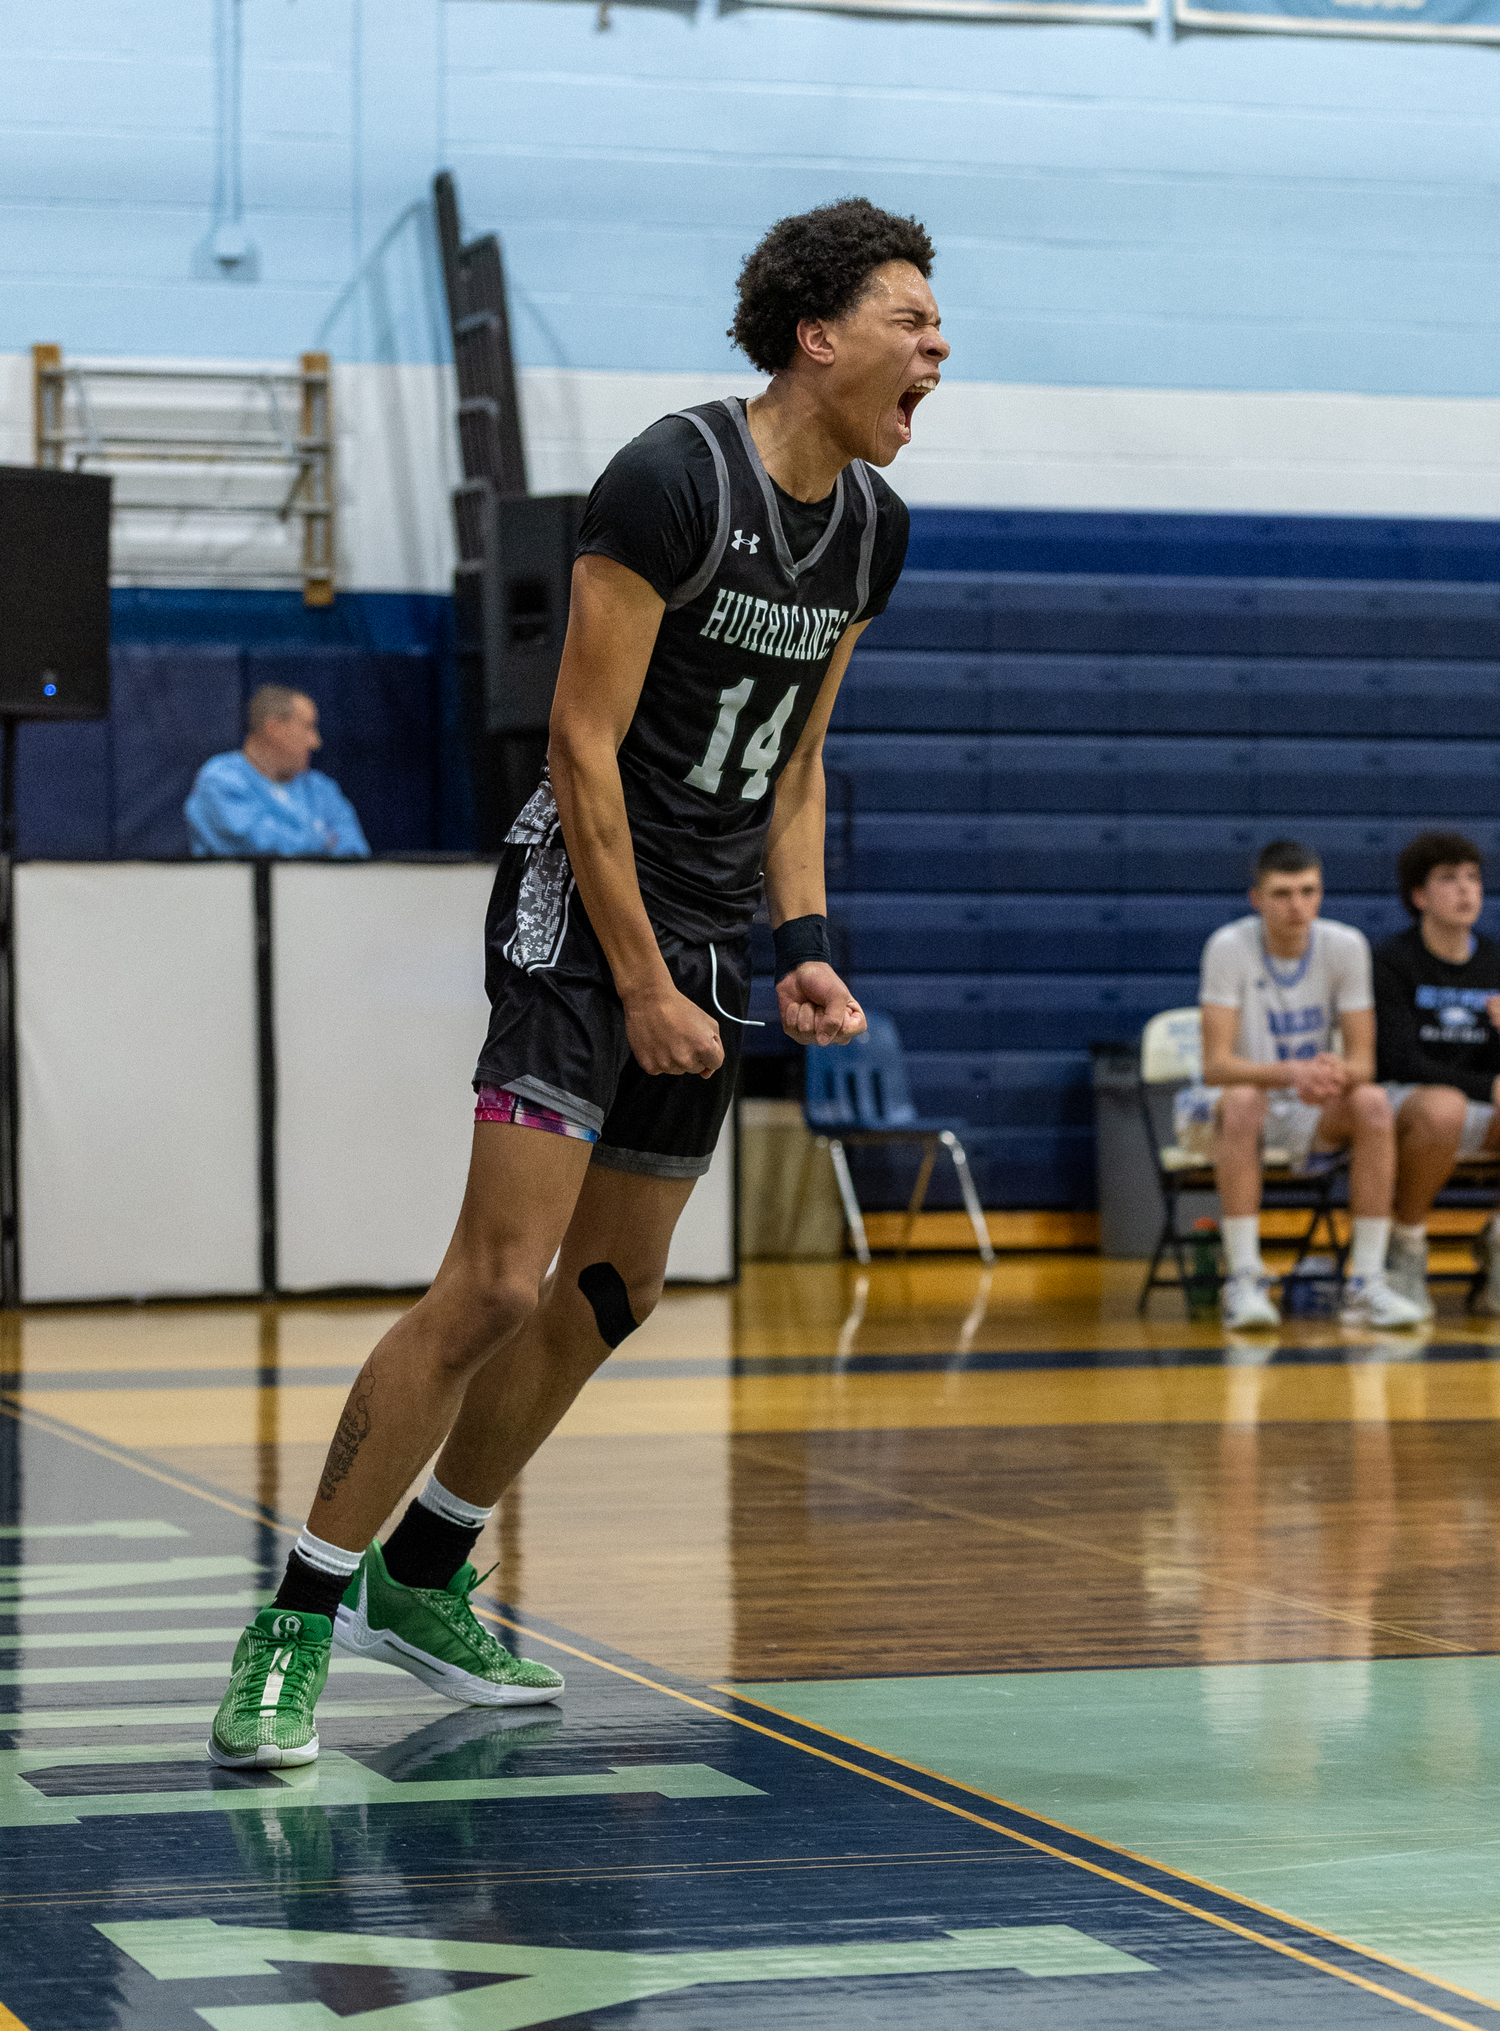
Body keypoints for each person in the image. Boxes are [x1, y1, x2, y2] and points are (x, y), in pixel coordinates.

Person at [206, 196, 942, 1768]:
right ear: (821, 336)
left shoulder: (874, 525)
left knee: (615, 1288)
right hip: (577, 896)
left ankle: (425, 1572)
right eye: (912, 319)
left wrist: (799, 950)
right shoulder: (677, 476)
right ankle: (294, 1617)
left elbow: (801, 760)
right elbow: (577, 747)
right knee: (492, 1281)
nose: (937, 348)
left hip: (709, 928)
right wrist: (642, 977)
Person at [1196, 839, 1424, 1333]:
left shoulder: (1345, 946)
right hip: (1239, 1104)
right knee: (1241, 1102)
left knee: (1372, 1101)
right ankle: (1245, 1278)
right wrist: (1291, 1073)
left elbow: (1364, 1061)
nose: (1296, 905)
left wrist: (1332, 1075)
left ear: (1321, 894)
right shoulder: (1228, 947)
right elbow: (1216, 1066)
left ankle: (1366, 1281)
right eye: (1282, 894)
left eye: (1308, 891)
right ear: (1256, 899)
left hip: (1310, 1104)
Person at [1375, 832, 1500, 1319]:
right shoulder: (1391, 961)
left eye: (1473, 878)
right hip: (1409, 1103)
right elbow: (1400, 1060)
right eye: (1449, 879)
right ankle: (1406, 1244)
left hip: (1483, 1106)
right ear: (1419, 896)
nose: (1466, 891)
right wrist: (1485, 1087)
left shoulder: (1495, 959)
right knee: (1444, 1107)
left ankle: (1497, 1241)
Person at [185, 685, 370, 858]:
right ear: (274, 728)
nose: (315, 742)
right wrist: (324, 842)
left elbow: (354, 852)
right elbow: (259, 851)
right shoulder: (221, 780)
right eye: (308, 727)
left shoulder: (321, 788)